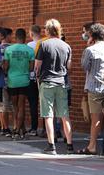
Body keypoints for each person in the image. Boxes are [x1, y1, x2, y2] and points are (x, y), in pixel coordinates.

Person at [35, 19, 74, 155]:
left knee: (48, 115)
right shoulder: (66, 46)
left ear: (47, 30)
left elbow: (37, 65)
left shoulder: (44, 45)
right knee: (65, 115)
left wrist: (37, 76)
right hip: (62, 83)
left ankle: (51, 146)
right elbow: (69, 67)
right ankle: (69, 145)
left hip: (47, 82)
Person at [78, 23, 104, 155]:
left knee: (96, 118)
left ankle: (92, 146)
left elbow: (84, 66)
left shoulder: (90, 50)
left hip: (94, 87)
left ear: (93, 35)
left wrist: (89, 46)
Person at [4, 28, 35, 139]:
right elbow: (32, 68)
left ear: (15, 37)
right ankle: (19, 129)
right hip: (24, 80)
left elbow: (6, 67)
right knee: (21, 106)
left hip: (12, 80)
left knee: (15, 106)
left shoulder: (9, 49)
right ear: (25, 37)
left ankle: (16, 128)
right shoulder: (30, 50)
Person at [0, 28, 14, 137]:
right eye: (10, 35)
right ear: (6, 36)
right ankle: (8, 127)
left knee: (1, 105)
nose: (12, 38)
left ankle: (3, 127)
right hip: (10, 79)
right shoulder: (11, 48)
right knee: (9, 105)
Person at [26, 25, 42, 136]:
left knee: (33, 104)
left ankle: (34, 128)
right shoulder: (44, 43)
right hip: (42, 77)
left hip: (31, 77)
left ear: (31, 33)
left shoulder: (29, 45)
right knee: (45, 104)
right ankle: (46, 128)